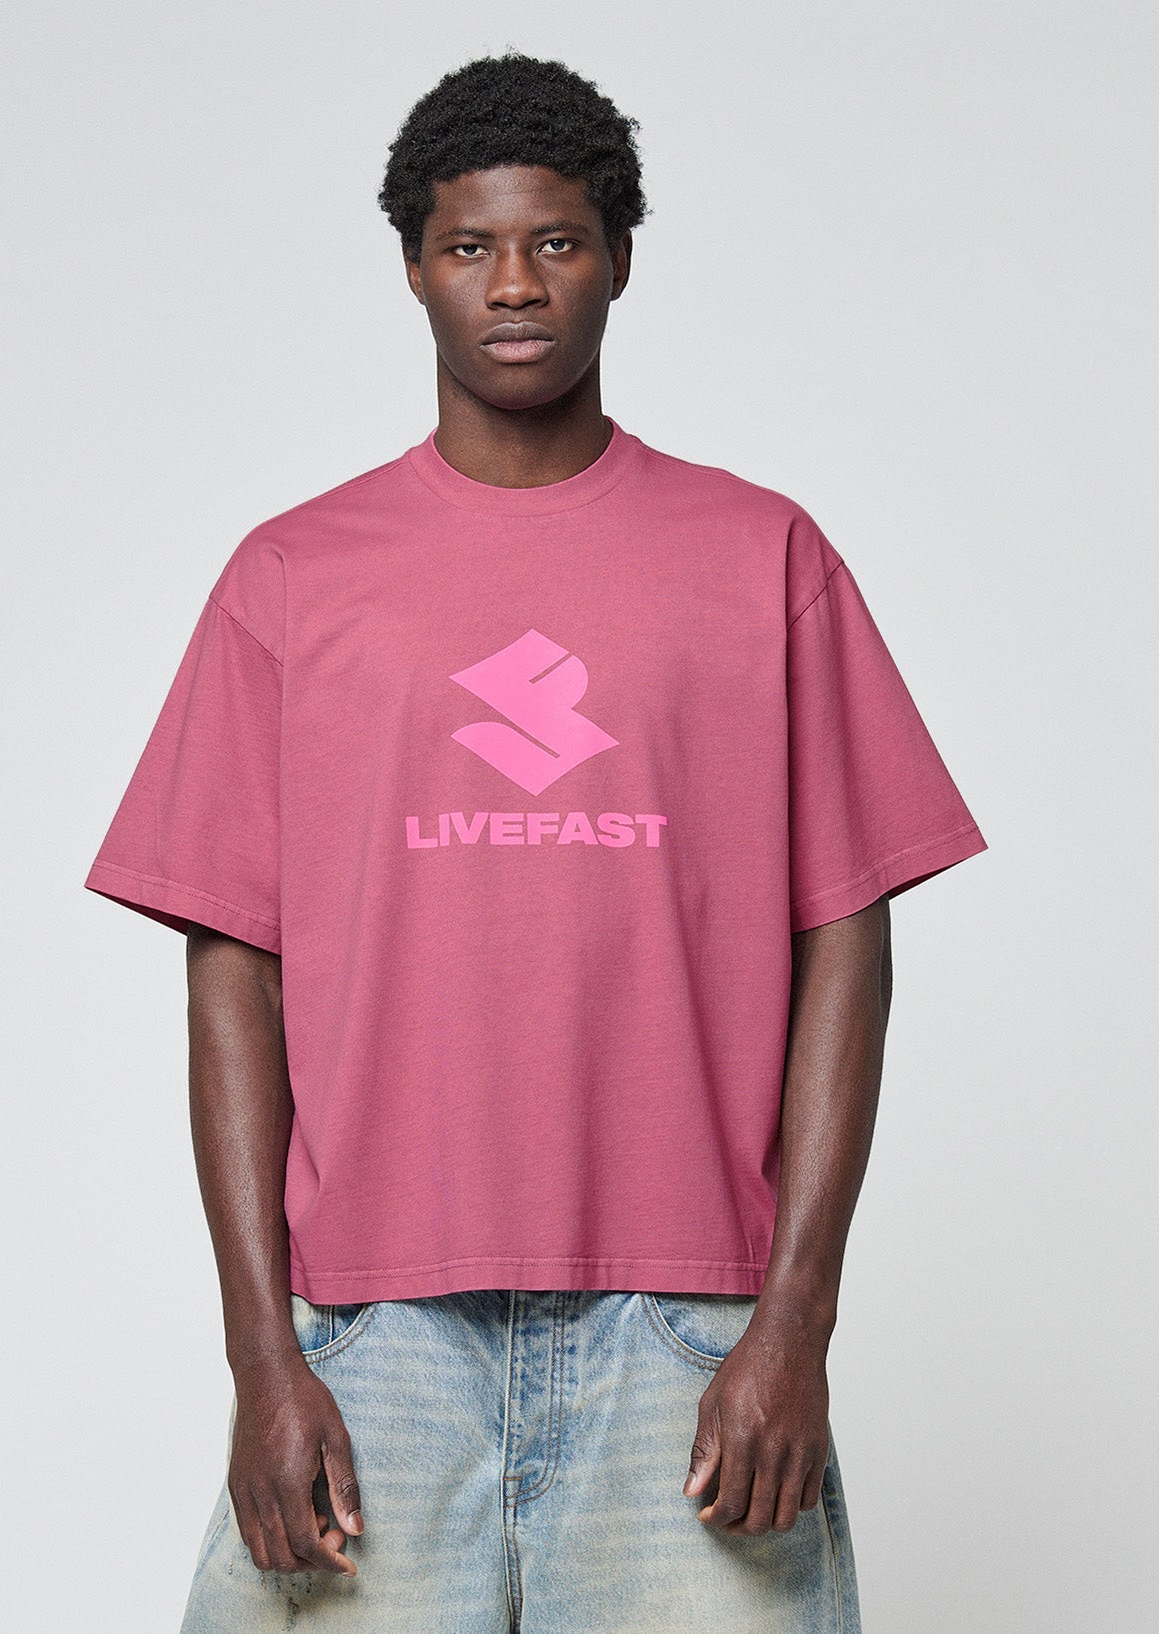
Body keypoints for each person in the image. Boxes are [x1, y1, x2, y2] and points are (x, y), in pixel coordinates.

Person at [84, 51, 988, 1633]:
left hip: (688, 1330)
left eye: (556, 241)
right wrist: (262, 1355)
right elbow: (232, 965)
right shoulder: (293, 576)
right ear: (413, 269)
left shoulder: (759, 556)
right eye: (469, 246)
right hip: (376, 1334)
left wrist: (795, 1320)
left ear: (620, 258)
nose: (514, 284)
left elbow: (844, 933)